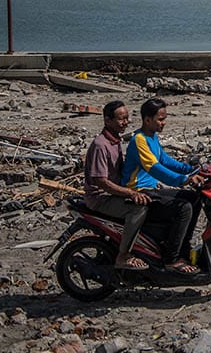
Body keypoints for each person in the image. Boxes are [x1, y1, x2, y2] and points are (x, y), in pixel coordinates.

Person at [121, 98, 204, 274]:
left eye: (164, 119)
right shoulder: (139, 140)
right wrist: (182, 180)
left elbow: (166, 161)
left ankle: (183, 247)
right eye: (160, 119)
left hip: (152, 189)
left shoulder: (152, 137)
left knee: (194, 198)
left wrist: (193, 169)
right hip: (139, 190)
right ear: (147, 119)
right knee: (184, 208)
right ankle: (171, 259)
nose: (163, 123)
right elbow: (154, 168)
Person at [83, 100, 151, 270]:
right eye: (121, 119)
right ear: (107, 120)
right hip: (100, 197)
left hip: (112, 193)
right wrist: (130, 193)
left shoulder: (115, 141)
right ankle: (123, 255)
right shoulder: (101, 145)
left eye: (127, 118)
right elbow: (102, 182)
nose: (126, 122)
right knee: (138, 208)